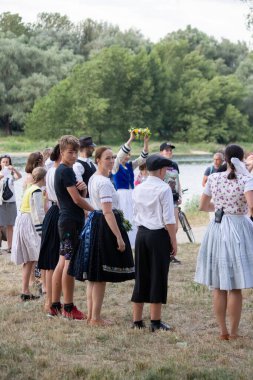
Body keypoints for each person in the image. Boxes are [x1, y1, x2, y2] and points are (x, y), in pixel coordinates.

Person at [68, 147, 135, 326]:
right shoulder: (103, 182)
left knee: (94, 276)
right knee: (99, 276)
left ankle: (92, 316)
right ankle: (95, 318)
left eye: (113, 157)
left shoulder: (94, 178)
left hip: (95, 223)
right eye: (107, 158)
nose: (112, 160)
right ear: (98, 160)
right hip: (103, 225)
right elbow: (107, 212)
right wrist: (119, 237)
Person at [195, 144, 253, 340]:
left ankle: (223, 332)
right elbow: (251, 205)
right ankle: (234, 332)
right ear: (242, 158)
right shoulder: (246, 178)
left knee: (218, 286)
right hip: (238, 227)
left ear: (225, 159)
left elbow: (202, 206)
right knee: (235, 285)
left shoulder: (213, 177)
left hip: (218, 228)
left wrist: (220, 208)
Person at [49, 135, 94, 320]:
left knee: (62, 262)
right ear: (62, 152)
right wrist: (95, 211)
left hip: (66, 219)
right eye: (70, 152)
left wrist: (83, 190)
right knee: (69, 264)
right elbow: (75, 200)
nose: (74, 155)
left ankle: (54, 305)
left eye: (76, 152)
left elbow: (73, 196)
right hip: (70, 221)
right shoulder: (65, 171)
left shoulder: (63, 170)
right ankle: (68, 306)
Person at [131, 154, 177, 331]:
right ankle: (155, 321)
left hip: (141, 234)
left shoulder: (138, 188)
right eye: (165, 170)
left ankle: (137, 320)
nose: (165, 173)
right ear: (160, 170)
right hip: (158, 235)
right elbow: (169, 219)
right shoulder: (164, 188)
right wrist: (173, 240)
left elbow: (136, 213)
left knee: (141, 275)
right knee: (158, 275)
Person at [11, 167, 47, 301]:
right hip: (29, 222)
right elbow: (38, 213)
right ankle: (44, 287)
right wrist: (41, 231)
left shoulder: (29, 188)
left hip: (22, 220)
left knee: (29, 259)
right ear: (43, 178)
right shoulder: (36, 191)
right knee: (38, 255)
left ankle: (25, 291)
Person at [112, 131, 149, 247]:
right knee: (124, 216)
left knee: (134, 216)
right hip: (121, 195)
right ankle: (124, 240)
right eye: (126, 154)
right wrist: (131, 139)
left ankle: (134, 242)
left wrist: (145, 143)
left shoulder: (130, 166)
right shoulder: (115, 166)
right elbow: (119, 155)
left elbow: (142, 158)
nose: (127, 156)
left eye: (129, 154)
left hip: (132, 194)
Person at [38, 144, 61, 313]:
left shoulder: (51, 169)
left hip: (52, 212)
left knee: (49, 260)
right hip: (57, 211)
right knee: (53, 260)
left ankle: (49, 301)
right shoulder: (58, 171)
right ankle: (52, 302)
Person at [160, 142, 181, 264]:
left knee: (175, 227)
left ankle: (170, 253)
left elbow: (178, 180)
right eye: (166, 150)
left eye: (170, 150)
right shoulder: (159, 165)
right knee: (166, 226)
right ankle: (164, 254)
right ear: (161, 152)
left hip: (174, 198)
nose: (169, 152)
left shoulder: (174, 165)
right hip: (164, 199)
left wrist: (180, 194)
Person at [0, 154, 22, 253]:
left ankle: (10, 247)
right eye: (3, 162)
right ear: (0, 163)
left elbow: (20, 177)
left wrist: (14, 170)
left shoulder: (11, 174)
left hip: (11, 202)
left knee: (10, 225)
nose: (5, 163)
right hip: (1, 203)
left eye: (7, 162)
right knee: (0, 225)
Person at [73, 136, 96, 201]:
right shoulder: (77, 165)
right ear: (85, 148)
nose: (94, 149)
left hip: (94, 199)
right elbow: (80, 187)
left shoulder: (91, 163)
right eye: (91, 147)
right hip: (86, 200)